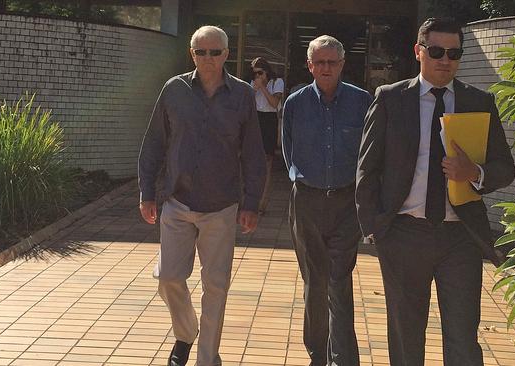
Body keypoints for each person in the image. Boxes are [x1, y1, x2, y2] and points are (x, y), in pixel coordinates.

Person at [356, 18, 515, 366]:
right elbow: (367, 170)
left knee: (462, 338)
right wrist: (375, 228)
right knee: (405, 335)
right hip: (403, 234)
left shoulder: (480, 101)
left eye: (455, 53)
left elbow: (505, 168)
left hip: (460, 237)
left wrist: (474, 172)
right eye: (437, 51)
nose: (446, 60)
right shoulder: (390, 99)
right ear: (419, 51)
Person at [138, 25, 266, 366]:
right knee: (168, 278)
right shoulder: (173, 89)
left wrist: (251, 203)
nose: (207, 58)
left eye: (215, 52)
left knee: (217, 286)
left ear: (226, 54)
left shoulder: (241, 95)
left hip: (221, 207)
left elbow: (253, 153)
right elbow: (154, 142)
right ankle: (185, 332)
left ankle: (207, 359)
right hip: (176, 202)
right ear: (192, 54)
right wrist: (146, 191)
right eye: (200, 51)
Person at [282, 35, 372, 366]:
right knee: (314, 282)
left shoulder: (362, 102)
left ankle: (344, 358)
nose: (326, 68)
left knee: (338, 278)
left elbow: (368, 154)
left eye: (332, 62)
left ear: (343, 65)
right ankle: (317, 354)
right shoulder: (295, 103)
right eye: (319, 62)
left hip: (347, 204)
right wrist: (303, 180)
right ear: (309, 66)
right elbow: (287, 150)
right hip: (306, 201)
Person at [250, 57, 284, 214]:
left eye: (260, 72)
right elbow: (247, 103)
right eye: (255, 73)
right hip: (256, 118)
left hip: (269, 119)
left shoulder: (277, 82)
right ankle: (249, 200)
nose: (257, 76)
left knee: (267, 162)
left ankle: (262, 203)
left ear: (266, 71)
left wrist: (263, 87)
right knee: (251, 160)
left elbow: (274, 103)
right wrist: (255, 88)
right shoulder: (253, 84)